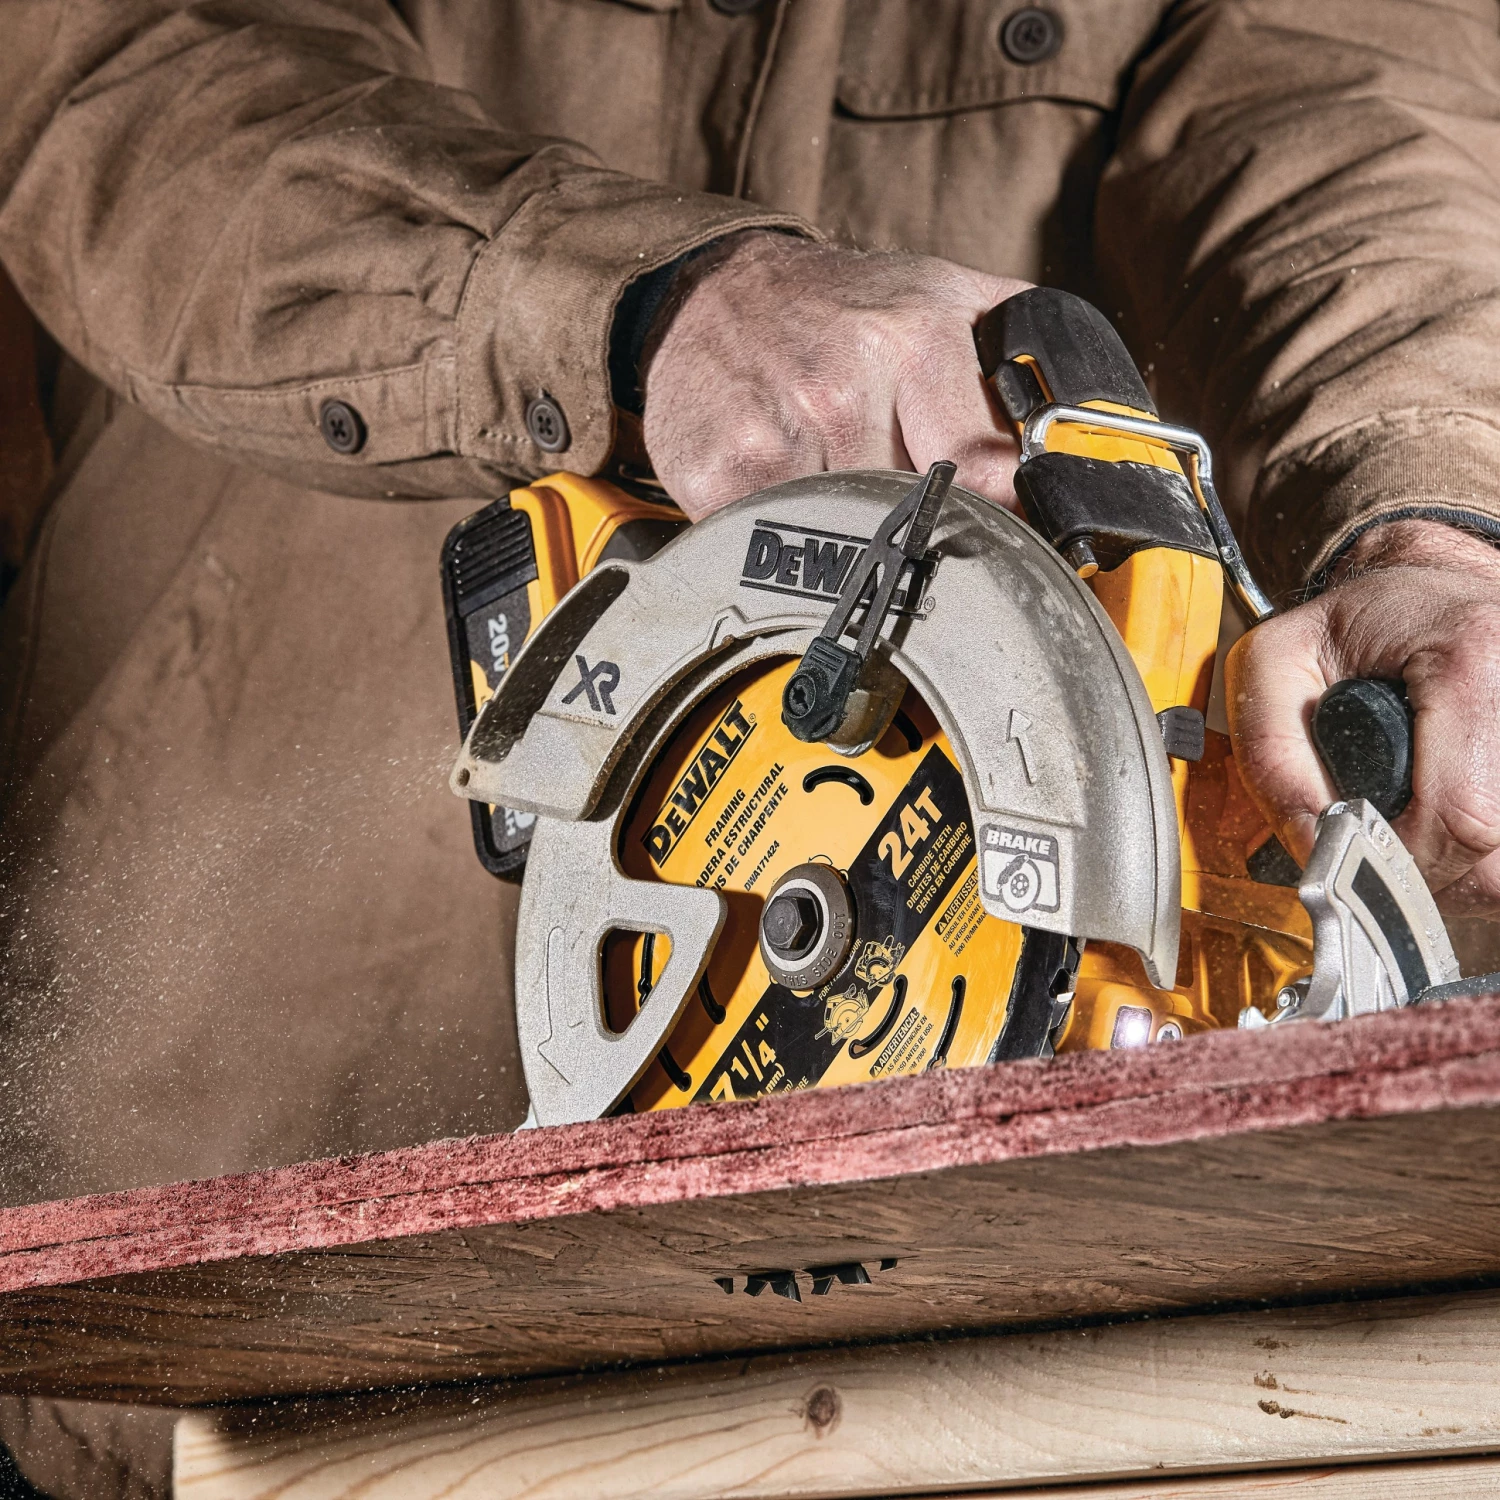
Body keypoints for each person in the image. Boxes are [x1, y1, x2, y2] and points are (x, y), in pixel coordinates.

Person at [3, 1, 1500, 1493]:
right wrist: (639, 305)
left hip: (984, 1314)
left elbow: (1353, 129)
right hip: (234, 1187)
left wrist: (1429, 526)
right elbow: (111, 83)